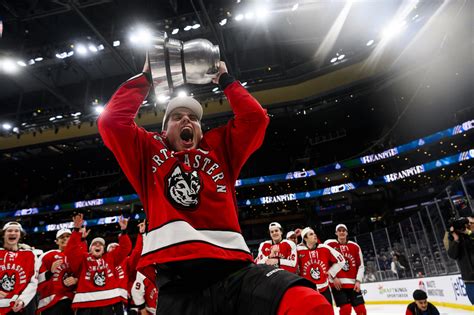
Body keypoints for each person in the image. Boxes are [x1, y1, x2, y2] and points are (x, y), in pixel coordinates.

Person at [98, 57, 332, 314]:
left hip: (234, 269)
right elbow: (111, 122)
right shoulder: (148, 151)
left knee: (308, 303)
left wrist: (225, 79)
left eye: (194, 118)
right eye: (177, 117)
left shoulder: (219, 150)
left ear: (200, 130)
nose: (187, 121)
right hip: (179, 284)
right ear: (164, 131)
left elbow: (255, 119)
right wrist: (146, 78)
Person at [65, 214, 132, 314]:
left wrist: (123, 231)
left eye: (100, 244)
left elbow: (125, 248)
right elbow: (71, 251)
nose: (98, 245)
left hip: (109, 302)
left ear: (104, 249)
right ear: (90, 250)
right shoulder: (83, 259)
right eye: (94, 244)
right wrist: (76, 230)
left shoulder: (110, 257)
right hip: (86, 304)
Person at [297, 227, 345, 306]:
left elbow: (341, 260)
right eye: (311, 234)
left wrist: (331, 272)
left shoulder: (324, 248)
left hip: (324, 288)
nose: (315, 235)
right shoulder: (298, 250)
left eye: (314, 233)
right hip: (308, 290)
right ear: (305, 238)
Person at [325, 224, 367, 315]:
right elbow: (324, 262)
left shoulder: (355, 246)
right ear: (336, 233)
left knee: (361, 310)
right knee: (345, 309)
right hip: (337, 284)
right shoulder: (329, 244)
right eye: (339, 230)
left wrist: (358, 281)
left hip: (353, 284)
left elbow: (360, 266)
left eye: (343, 230)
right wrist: (333, 277)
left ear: (347, 232)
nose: (341, 232)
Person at [37, 228, 80, 314]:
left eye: (68, 236)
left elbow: (84, 275)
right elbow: (36, 278)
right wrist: (50, 272)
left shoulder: (77, 256)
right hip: (51, 301)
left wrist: (76, 280)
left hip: (70, 300)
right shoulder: (48, 255)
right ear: (56, 241)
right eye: (62, 237)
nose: (65, 238)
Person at [107, 221, 145, 314]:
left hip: (124, 300)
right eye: (111, 248)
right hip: (105, 298)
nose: (114, 249)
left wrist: (141, 235)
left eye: (116, 247)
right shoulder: (102, 263)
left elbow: (136, 253)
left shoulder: (126, 261)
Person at [0, 222, 38, 315]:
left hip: (20, 306)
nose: (13, 233)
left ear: (20, 235)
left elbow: (33, 281)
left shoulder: (30, 255)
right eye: (9, 231)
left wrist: (23, 300)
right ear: (3, 234)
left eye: (16, 231)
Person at [445, 216, 474, 304]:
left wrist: (469, 233)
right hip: (470, 280)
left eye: (471, 223)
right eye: (467, 223)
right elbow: (452, 255)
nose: (468, 225)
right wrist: (456, 239)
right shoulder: (458, 239)